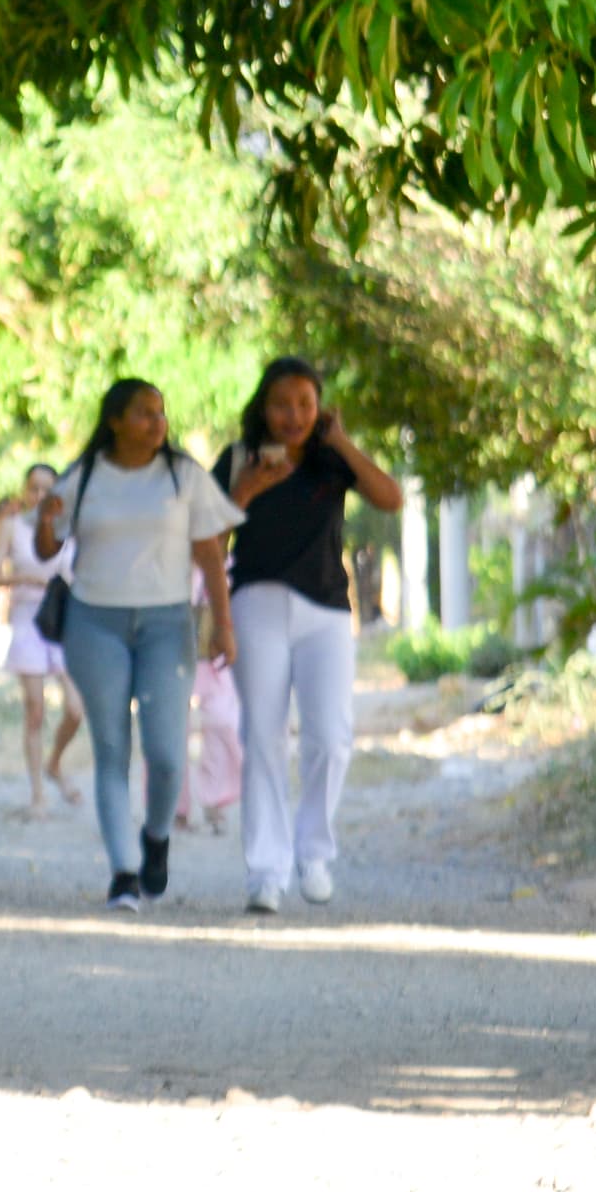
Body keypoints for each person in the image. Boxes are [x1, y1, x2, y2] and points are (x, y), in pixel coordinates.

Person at [37, 379, 243, 911]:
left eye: (161, 413)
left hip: (165, 624)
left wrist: (224, 624)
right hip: (94, 622)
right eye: (145, 414)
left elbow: (210, 557)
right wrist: (44, 517)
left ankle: (155, 838)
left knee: (168, 755)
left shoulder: (182, 474)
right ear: (115, 421)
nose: (158, 423)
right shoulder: (83, 477)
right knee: (111, 748)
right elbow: (47, 548)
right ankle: (124, 871)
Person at [221, 356, 406, 914]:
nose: (293, 415)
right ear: (263, 407)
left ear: (319, 407)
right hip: (256, 602)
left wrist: (342, 442)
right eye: (282, 404)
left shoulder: (332, 461)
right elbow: (208, 534)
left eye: (305, 403)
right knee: (263, 737)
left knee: (330, 737)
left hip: (325, 609)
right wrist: (247, 488)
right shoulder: (236, 459)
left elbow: (391, 496)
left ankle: (314, 853)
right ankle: (265, 870)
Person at [0, 462, 84, 814]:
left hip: (62, 623)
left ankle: (55, 763)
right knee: (35, 709)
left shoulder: (70, 531)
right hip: (27, 619)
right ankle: (37, 794)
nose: (39, 495)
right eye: (34, 487)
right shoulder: (11, 527)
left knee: (76, 710)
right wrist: (24, 582)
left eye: (47, 488)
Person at [176, 559, 239, 837]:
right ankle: (175, 807)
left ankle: (215, 798)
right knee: (173, 726)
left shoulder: (223, 554)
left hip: (212, 649)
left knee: (221, 721)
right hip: (174, 643)